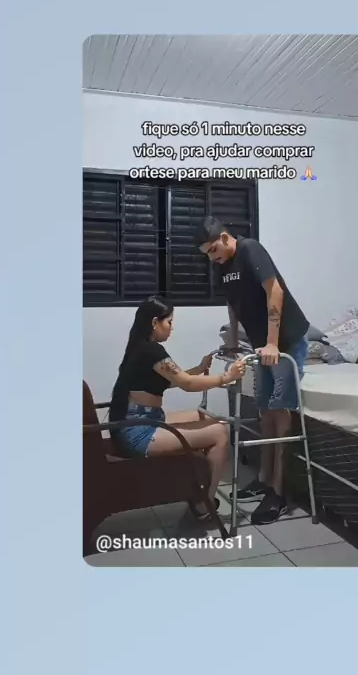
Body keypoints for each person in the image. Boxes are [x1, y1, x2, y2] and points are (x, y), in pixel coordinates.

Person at [195, 218, 309, 524]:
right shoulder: (222, 265)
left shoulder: (249, 249)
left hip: (286, 342)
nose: (212, 257)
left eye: (213, 250)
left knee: (280, 411)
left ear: (224, 237)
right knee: (265, 412)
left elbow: (275, 291)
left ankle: (278, 493)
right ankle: (264, 479)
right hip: (261, 345)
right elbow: (234, 304)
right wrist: (233, 340)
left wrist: (272, 343)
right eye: (207, 254)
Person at [109, 296, 246, 521]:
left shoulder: (139, 347)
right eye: (169, 322)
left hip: (138, 421)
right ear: (155, 322)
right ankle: (204, 504)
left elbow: (172, 380)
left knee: (201, 416)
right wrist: (226, 377)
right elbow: (187, 384)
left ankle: (195, 486)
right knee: (220, 432)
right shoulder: (152, 351)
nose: (171, 328)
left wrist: (200, 368)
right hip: (139, 431)